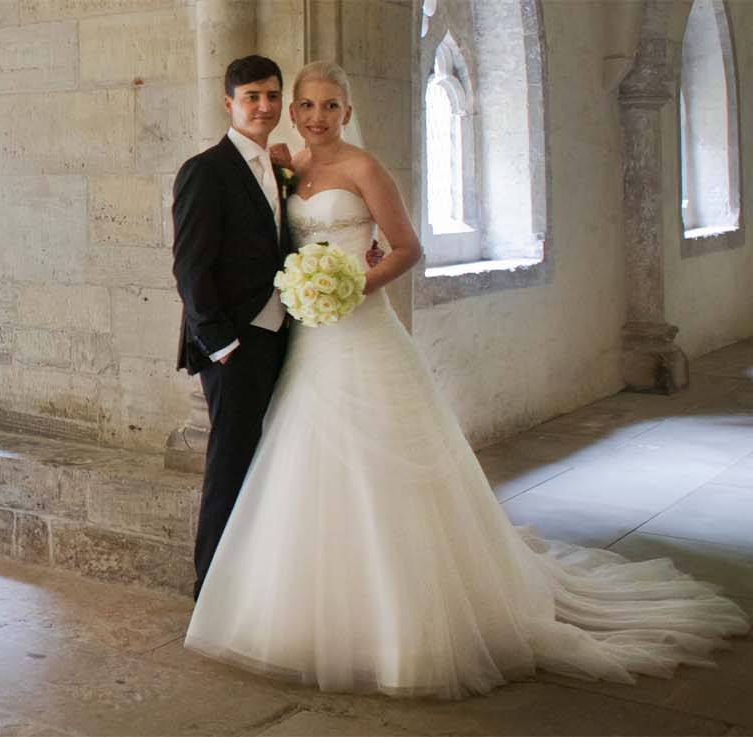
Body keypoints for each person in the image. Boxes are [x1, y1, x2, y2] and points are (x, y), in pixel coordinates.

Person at [183, 61, 748, 699]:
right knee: (301, 458)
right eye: (305, 105)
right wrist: (301, 300)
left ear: (347, 109)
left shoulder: (365, 169)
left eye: (329, 105)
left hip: (360, 328)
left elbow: (407, 248)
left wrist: (351, 284)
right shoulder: (284, 169)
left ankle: (405, 616)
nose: (315, 116)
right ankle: (295, 596)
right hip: (307, 339)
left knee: (384, 465)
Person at [170, 55, 292, 598]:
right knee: (230, 460)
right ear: (230, 104)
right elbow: (190, 265)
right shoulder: (206, 169)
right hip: (234, 346)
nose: (263, 107)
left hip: (280, 335)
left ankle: (256, 575)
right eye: (251, 97)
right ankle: (211, 588)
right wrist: (220, 344)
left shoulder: (279, 168)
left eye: (271, 96)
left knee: (267, 457)